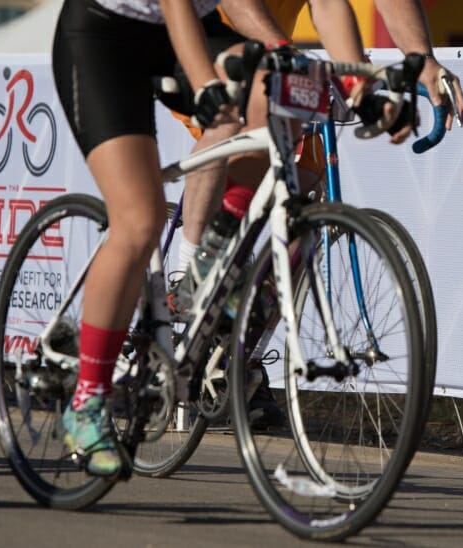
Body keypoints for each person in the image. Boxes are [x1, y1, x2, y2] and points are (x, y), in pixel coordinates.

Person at [51, 0, 408, 478]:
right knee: (140, 220)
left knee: (286, 87)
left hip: (188, 28)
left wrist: (360, 86)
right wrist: (205, 86)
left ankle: (215, 257)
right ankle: (87, 401)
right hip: (105, 34)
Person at [166, 0, 463, 426]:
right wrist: (286, 55)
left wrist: (420, 62)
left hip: (279, 59)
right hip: (208, 42)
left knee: (299, 202)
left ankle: (236, 357)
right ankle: (188, 268)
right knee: (235, 128)